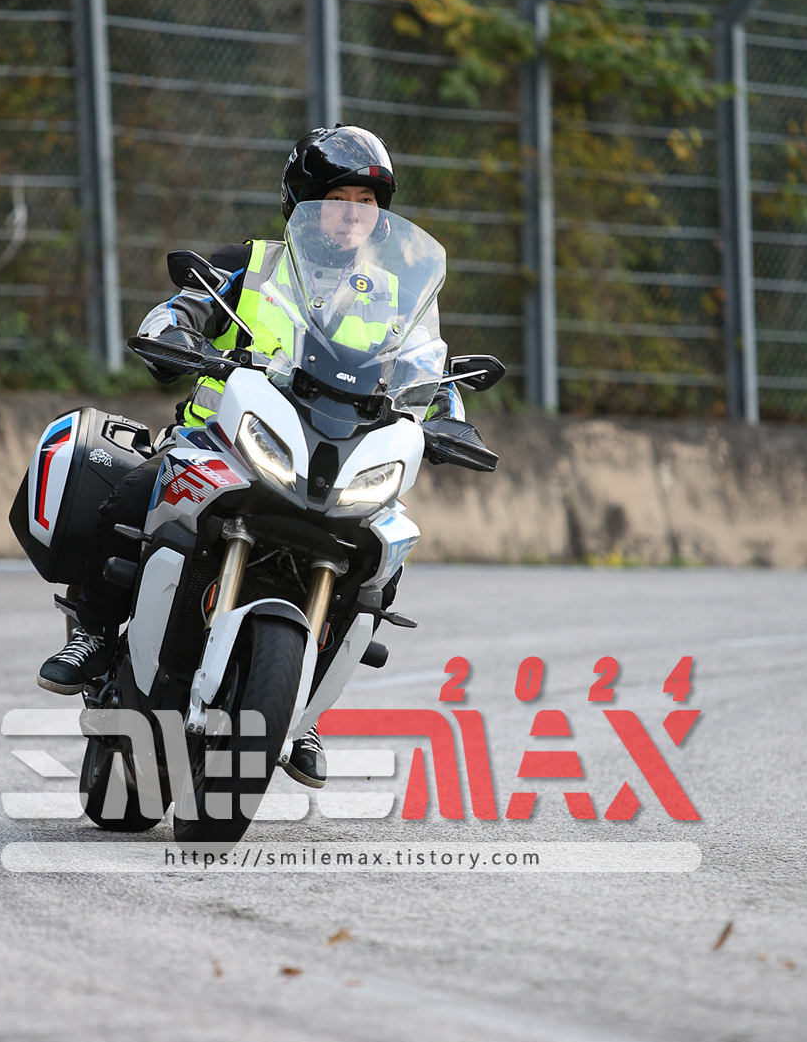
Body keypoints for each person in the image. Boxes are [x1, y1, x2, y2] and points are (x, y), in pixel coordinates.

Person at [37, 126, 480, 787]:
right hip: (224, 441)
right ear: (301, 203)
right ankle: (95, 633)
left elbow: (429, 370)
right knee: (132, 492)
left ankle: (300, 704)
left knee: (383, 556)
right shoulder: (251, 267)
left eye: (365, 202)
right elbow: (181, 307)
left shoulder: (394, 296)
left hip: (337, 455)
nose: (352, 214)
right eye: (336, 199)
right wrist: (177, 331)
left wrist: (451, 420)